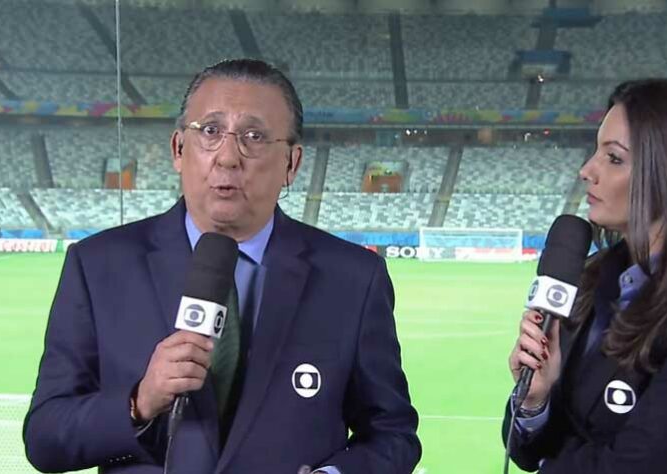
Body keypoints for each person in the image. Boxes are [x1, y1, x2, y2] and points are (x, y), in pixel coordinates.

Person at [24, 59, 421, 474]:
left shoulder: (353, 278)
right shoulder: (98, 265)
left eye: (254, 136)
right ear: (179, 149)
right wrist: (139, 402)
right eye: (210, 132)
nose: (228, 157)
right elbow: (46, 439)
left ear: (292, 163)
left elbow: (392, 434)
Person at [503, 79, 667, 473]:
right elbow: (529, 451)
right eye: (596, 151)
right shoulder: (591, 279)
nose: (587, 170)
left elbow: (635, 466)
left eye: (614, 158)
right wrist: (536, 401)